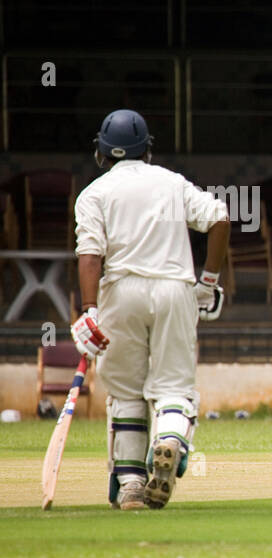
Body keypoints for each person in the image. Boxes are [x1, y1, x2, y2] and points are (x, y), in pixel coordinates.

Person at [71, 109, 231, 510]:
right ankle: (170, 439)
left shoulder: (94, 193)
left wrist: (89, 310)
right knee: (174, 387)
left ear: (102, 152)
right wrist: (208, 282)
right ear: (147, 149)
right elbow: (221, 219)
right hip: (174, 289)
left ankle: (129, 485)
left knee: (125, 392)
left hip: (121, 292)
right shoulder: (171, 183)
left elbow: (90, 255)